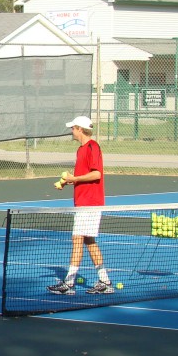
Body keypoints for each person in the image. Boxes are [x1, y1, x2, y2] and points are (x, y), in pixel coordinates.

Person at [48, 115, 113, 295]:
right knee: (89, 240)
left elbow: (97, 174)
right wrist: (71, 181)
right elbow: (85, 176)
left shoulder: (93, 147)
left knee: (77, 239)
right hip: (82, 201)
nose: (71, 131)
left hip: (90, 203)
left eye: (73, 128)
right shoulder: (80, 150)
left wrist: (75, 178)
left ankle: (69, 284)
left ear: (80, 129)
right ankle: (105, 281)